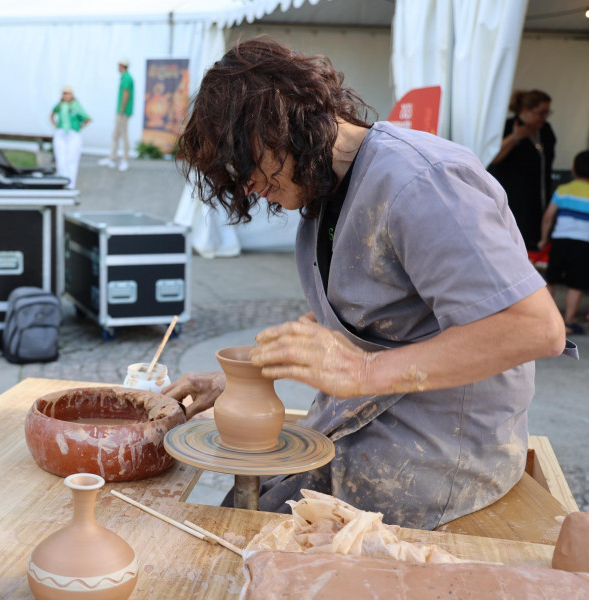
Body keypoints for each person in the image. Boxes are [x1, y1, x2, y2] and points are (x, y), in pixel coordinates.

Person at [163, 37, 570, 530]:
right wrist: (248, 374)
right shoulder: (324, 191)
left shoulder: (423, 181)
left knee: (269, 536)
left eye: (245, 163)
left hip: (440, 446)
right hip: (366, 419)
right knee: (238, 516)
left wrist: (361, 375)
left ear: (282, 120)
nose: (246, 185)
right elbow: (363, 317)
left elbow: (534, 329)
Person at [488, 89, 556, 251]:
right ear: (525, 111)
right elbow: (493, 157)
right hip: (514, 196)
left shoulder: (545, 130)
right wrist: (516, 137)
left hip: (540, 194)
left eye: (548, 112)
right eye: (541, 112)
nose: (544, 117)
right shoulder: (508, 126)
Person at [538, 150, 589, 335]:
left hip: (560, 241)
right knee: (576, 284)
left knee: (551, 280)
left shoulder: (563, 190)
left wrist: (544, 239)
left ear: (573, 170)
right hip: (584, 244)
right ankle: (567, 323)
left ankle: (544, 320)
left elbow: (548, 216)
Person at [50, 85, 91, 190]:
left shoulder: (76, 107)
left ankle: (70, 183)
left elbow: (87, 119)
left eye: (68, 93)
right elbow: (52, 114)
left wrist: (78, 127)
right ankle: (61, 182)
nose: (66, 96)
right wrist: (56, 125)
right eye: (64, 93)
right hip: (61, 132)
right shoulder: (60, 105)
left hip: (73, 133)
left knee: (71, 158)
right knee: (61, 159)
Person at [98, 59, 134, 172]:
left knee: (123, 135)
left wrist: (122, 110)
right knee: (115, 135)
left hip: (123, 112)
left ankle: (124, 159)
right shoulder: (125, 77)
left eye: (118, 65)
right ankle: (113, 158)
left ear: (122, 66)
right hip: (122, 112)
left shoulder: (126, 78)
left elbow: (126, 94)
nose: (117, 67)